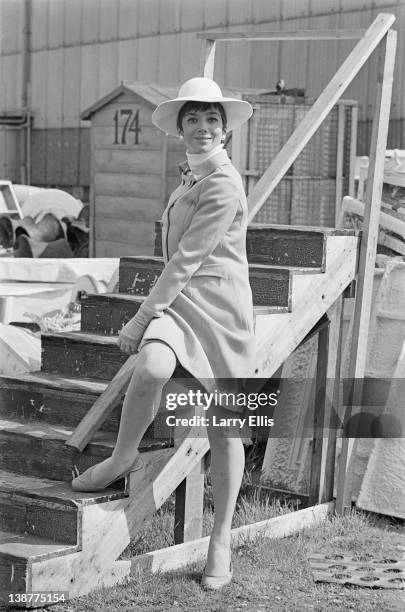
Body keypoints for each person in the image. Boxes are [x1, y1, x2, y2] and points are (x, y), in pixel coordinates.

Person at [71, 77, 256, 590]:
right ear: (180, 128)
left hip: (218, 309)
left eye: (212, 119)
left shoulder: (221, 183)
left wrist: (137, 318)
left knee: (224, 428)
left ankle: (221, 539)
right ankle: (123, 457)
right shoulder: (189, 179)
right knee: (151, 367)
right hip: (182, 303)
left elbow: (185, 261)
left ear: (226, 129)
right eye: (192, 119)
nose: (202, 128)